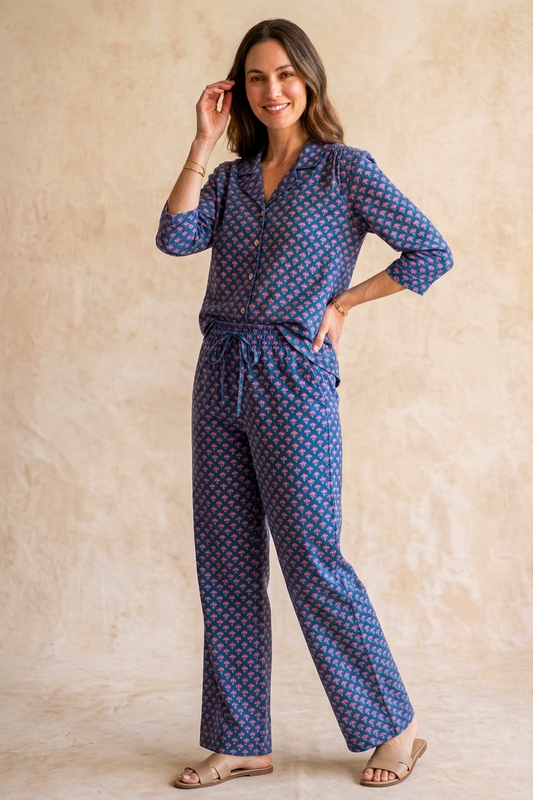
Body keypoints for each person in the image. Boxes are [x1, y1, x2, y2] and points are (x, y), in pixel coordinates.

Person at [156, 18, 452, 790]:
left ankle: (396, 727)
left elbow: (430, 251)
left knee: (312, 561)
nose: (272, 89)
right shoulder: (227, 179)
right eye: (256, 78)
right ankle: (241, 739)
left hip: (293, 376)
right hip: (218, 369)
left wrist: (345, 302)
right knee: (224, 562)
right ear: (238, 91)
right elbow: (173, 237)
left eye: (285, 74)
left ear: (309, 80)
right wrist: (201, 141)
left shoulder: (344, 171)